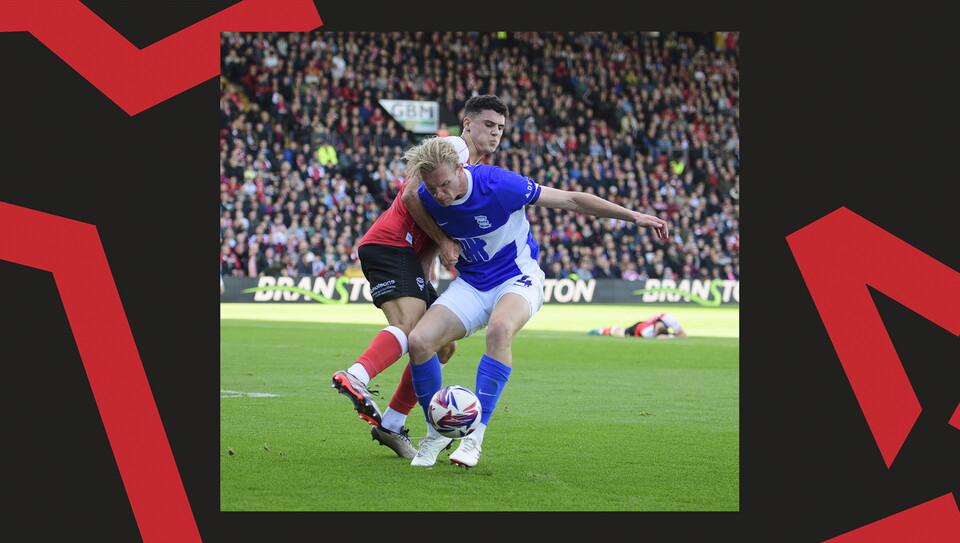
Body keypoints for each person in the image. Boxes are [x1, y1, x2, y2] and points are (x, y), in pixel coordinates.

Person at [402, 136, 669, 468]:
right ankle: (435, 432)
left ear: (462, 167)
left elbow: (571, 200)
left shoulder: (499, 184)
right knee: (419, 341)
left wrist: (633, 217)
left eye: (444, 184)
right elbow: (413, 199)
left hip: (517, 278)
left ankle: (475, 437)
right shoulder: (427, 193)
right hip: (471, 284)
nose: (439, 194)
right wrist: (441, 242)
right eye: (432, 187)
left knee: (499, 330)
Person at [331, 95, 509, 459]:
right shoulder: (453, 149)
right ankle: (357, 375)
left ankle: (392, 424)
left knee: (442, 346)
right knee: (412, 329)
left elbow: (432, 226)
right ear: (467, 124)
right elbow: (413, 193)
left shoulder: (469, 170)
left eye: (501, 128)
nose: (495, 133)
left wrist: (429, 269)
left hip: (408, 252)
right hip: (393, 242)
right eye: (488, 125)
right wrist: (444, 241)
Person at [588, 312, 688, 338]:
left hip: (643, 325)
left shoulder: (668, 318)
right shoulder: (647, 332)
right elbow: (680, 335)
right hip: (637, 328)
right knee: (619, 333)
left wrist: (673, 335)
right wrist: (674, 336)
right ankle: (602, 330)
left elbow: (684, 335)